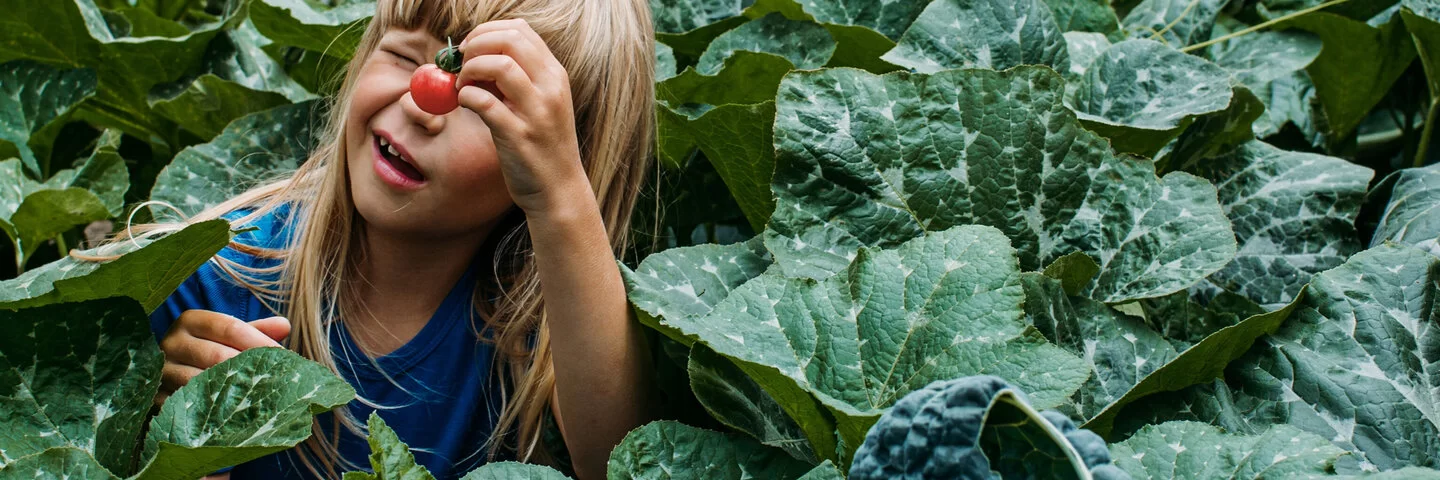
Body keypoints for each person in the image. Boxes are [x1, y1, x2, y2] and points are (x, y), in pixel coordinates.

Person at [140, 0, 657, 478]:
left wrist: (561, 198)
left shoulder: (553, 344)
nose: (421, 104)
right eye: (407, 56)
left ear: (557, 158)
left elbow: (619, 464)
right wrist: (161, 434)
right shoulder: (205, 285)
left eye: (485, 101)